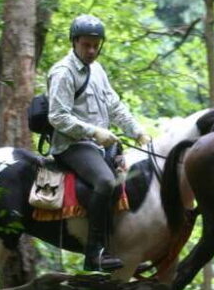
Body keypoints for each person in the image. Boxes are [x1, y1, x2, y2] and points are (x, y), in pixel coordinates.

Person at [48, 15, 151, 272]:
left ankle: (115, 252)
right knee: (105, 182)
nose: (92, 50)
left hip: (97, 145)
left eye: (96, 45)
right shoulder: (63, 72)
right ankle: (93, 255)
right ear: (74, 43)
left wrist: (137, 131)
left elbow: (114, 105)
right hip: (72, 145)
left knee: (127, 182)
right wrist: (95, 132)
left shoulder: (98, 70)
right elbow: (57, 117)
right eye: (86, 45)